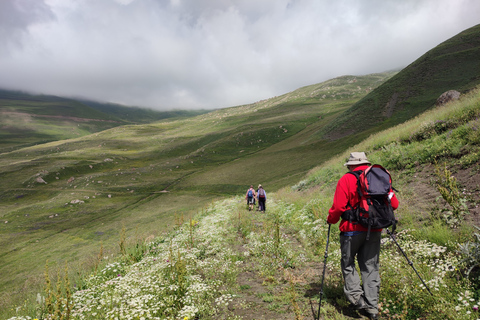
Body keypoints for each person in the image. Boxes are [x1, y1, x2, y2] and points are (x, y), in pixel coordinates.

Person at [327, 152, 399, 320]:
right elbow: (394, 204)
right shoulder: (379, 177)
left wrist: (331, 220)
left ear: (351, 165)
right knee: (371, 267)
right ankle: (372, 308)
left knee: (348, 263)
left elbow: (338, 207)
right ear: (366, 163)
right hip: (374, 230)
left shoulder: (346, 179)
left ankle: (357, 298)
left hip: (351, 230)